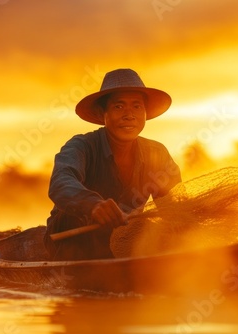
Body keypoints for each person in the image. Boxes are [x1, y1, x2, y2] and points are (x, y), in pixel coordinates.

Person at [43, 68, 182, 260]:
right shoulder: (81, 146)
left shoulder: (157, 153)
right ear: (103, 113)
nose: (129, 115)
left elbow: (172, 206)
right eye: (118, 106)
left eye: (136, 106)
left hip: (124, 239)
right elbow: (60, 182)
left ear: (145, 112)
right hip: (72, 239)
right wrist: (93, 205)